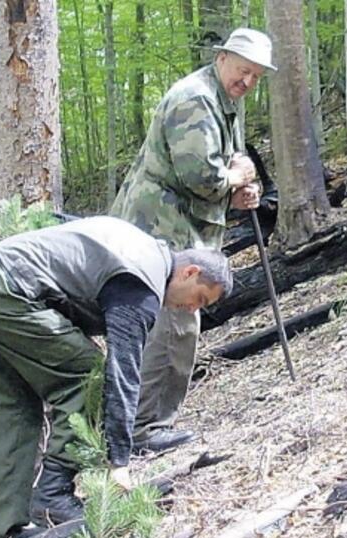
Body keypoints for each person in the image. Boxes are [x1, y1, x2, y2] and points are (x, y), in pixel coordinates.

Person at [0, 216, 232, 538]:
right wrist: (120, 461)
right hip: (8, 290)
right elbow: (123, 371)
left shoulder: (140, 248)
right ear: (189, 272)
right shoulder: (141, 283)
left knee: (3, 408)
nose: (192, 308)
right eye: (200, 299)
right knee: (87, 374)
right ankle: (54, 494)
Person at [110, 28, 276, 452]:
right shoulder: (195, 99)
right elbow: (201, 176)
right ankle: (144, 427)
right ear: (222, 59)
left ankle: (145, 422)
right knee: (174, 321)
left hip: (184, 227)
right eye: (244, 71)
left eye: (256, 76)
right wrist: (234, 178)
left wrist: (241, 190)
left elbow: (224, 170)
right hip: (161, 229)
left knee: (179, 322)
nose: (248, 82)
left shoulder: (225, 102)